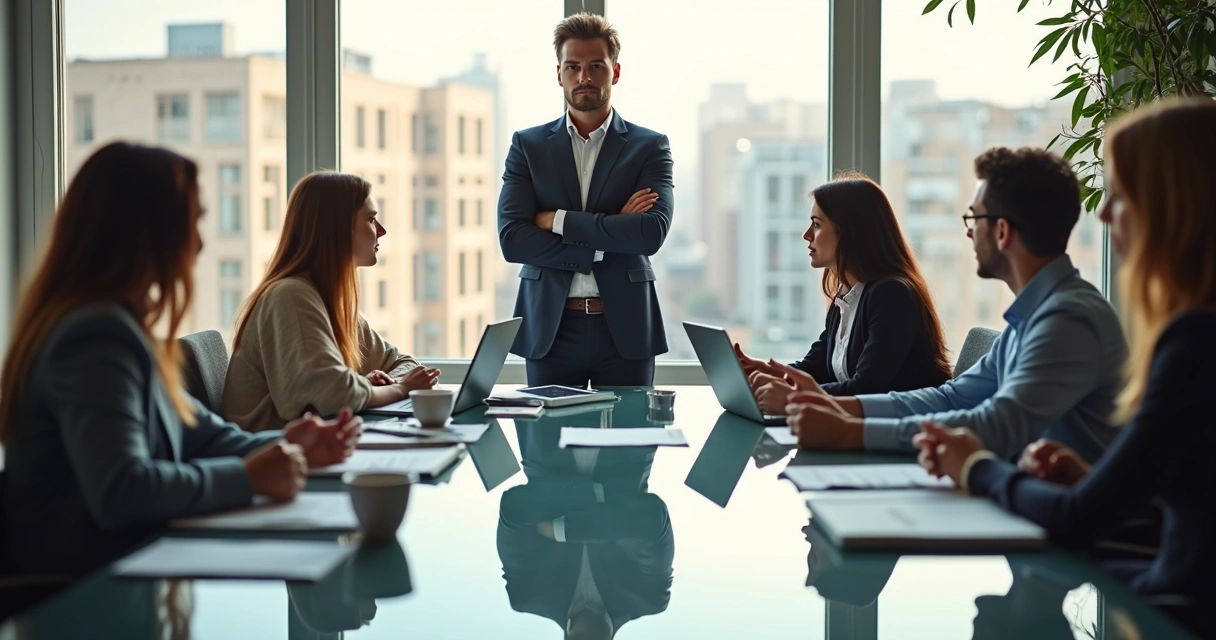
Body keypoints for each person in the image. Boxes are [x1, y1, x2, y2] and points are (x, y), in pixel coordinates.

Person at [915, 99, 1216, 638]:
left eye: (1119, 197)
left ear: (1174, 209)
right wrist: (1095, 479)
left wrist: (976, 466)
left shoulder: (1193, 343)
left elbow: (1080, 521)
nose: (1101, 215)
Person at [0, 143, 360, 576]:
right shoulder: (95, 337)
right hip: (78, 593)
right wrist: (247, 480)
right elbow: (122, 491)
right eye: (193, 222)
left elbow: (200, 435)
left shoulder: (119, 324)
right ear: (148, 232)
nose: (201, 243)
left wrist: (291, 445)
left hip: (120, 572)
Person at [781, 147, 1126, 462]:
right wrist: (841, 407)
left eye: (974, 220)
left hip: (1063, 519)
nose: (968, 233)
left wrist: (849, 430)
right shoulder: (1037, 316)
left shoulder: (1068, 319)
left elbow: (995, 426)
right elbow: (952, 398)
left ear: (1002, 232)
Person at [498, 13, 674, 388]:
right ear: (559, 74)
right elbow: (512, 239)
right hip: (551, 327)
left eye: (597, 66)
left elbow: (649, 234)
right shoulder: (527, 146)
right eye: (573, 66)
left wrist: (556, 221)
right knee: (544, 446)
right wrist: (610, 231)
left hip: (625, 327)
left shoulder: (649, 146)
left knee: (632, 443)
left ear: (616, 71)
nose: (585, 77)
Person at [223, 171, 439, 432]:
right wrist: (400, 388)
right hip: (275, 460)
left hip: (310, 451)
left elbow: (401, 362)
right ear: (337, 228)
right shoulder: (291, 296)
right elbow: (333, 396)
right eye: (371, 219)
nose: (381, 230)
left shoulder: (326, 299)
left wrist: (379, 383)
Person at [735, 173, 952, 414]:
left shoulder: (892, 295)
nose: (807, 235)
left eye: (817, 225)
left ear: (849, 231)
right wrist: (768, 371)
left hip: (903, 437)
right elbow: (816, 369)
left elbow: (867, 389)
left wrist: (793, 397)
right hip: (861, 430)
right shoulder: (848, 297)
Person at [497, 415, 674, 640]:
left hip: (549, 425)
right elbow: (652, 520)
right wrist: (562, 530)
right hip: (627, 424)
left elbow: (515, 509)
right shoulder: (649, 598)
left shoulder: (526, 595)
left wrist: (612, 509)